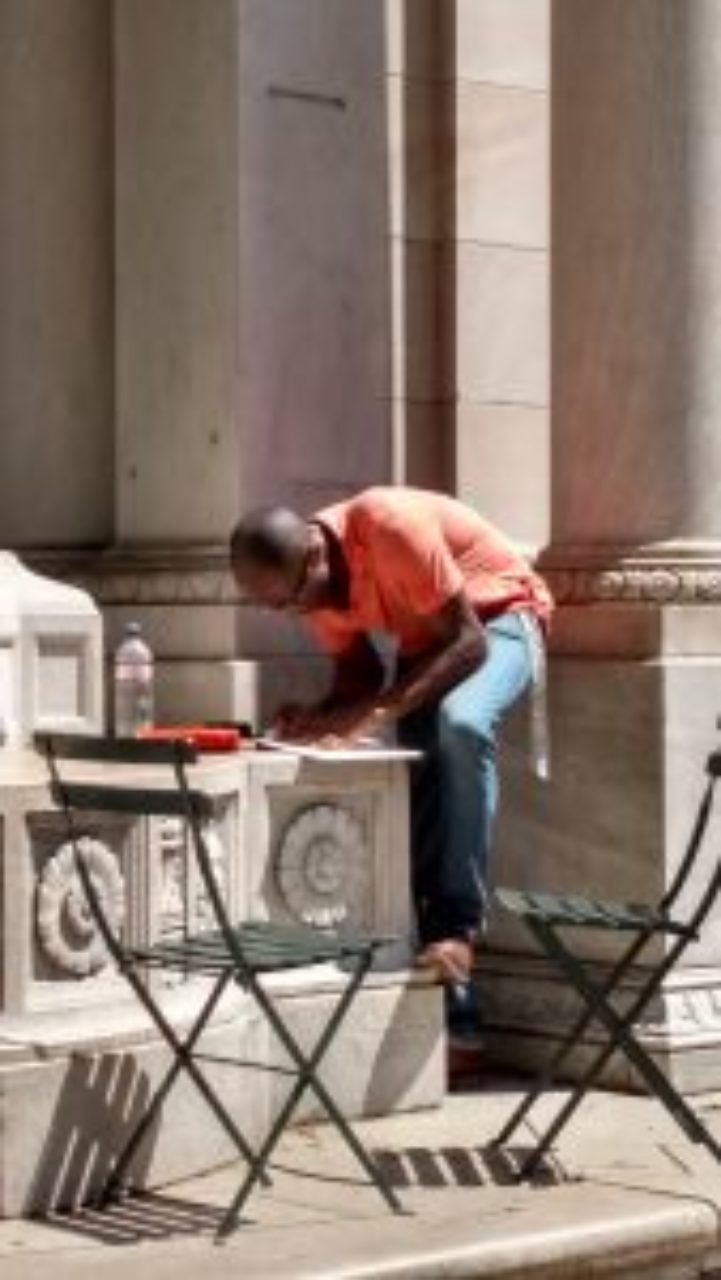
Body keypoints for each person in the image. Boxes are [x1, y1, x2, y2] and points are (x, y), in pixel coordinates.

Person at [230, 486, 553, 1037]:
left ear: (314, 553)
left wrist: (374, 713)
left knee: (462, 725)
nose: (294, 612)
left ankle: (460, 926)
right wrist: (319, 715)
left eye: (292, 600)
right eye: (277, 607)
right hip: (430, 644)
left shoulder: (391, 526)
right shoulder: (313, 585)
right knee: (420, 771)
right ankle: (451, 994)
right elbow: (360, 679)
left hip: (501, 618)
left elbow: (469, 641)